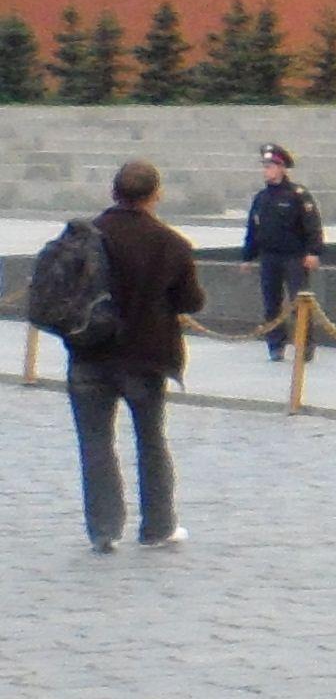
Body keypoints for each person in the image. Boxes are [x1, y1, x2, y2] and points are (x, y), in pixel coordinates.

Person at [63, 160, 203, 553]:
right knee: (151, 441)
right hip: (146, 357)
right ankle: (158, 527)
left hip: (88, 353)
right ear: (155, 195)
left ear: (113, 193)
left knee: (95, 443)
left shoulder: (84, 237)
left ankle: (104, 530)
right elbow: (192, 300)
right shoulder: (171, 244)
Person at [240, 143, 322, 363]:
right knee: (271, 304)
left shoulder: (298, 195)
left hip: (294, 257)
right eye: (265, 166)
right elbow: (253, 229)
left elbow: (312, 225)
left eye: (271, 166)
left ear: (282, 168)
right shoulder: (261, 198)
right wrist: (247, 256)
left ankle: (305, 345)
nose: (266, 170)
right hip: (269, 258)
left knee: (299, 302)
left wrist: (313, 252)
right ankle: (275, 345)